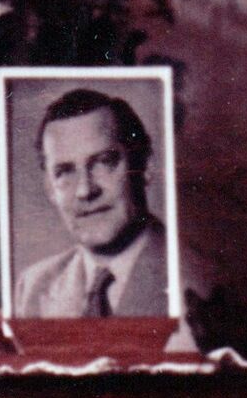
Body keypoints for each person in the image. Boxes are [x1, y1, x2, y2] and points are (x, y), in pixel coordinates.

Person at [14, 89, 171, 317]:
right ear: (49, 188)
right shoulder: (31, 288)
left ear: (145, 166)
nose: (85, 190)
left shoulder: (194, 276)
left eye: (104, 162)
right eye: (64, 172)